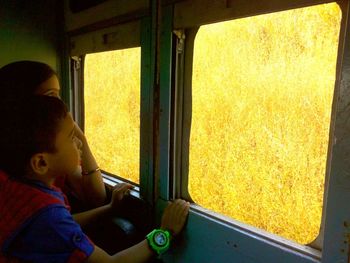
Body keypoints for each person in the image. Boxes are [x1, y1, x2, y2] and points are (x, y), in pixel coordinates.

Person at [0, 95, 190, 262]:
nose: (79, 142)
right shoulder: (48, 217)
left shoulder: (18, 187)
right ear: (41, 163)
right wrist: (166, 233)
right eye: (71, 137)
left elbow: (66, 222)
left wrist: (108, 209)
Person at [0, 60, 106, 208]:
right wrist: (109, 210)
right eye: (51, 96)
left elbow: (95, 197)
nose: (61, 104)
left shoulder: (53, 144)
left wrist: (80, 136)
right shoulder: (23, 160)